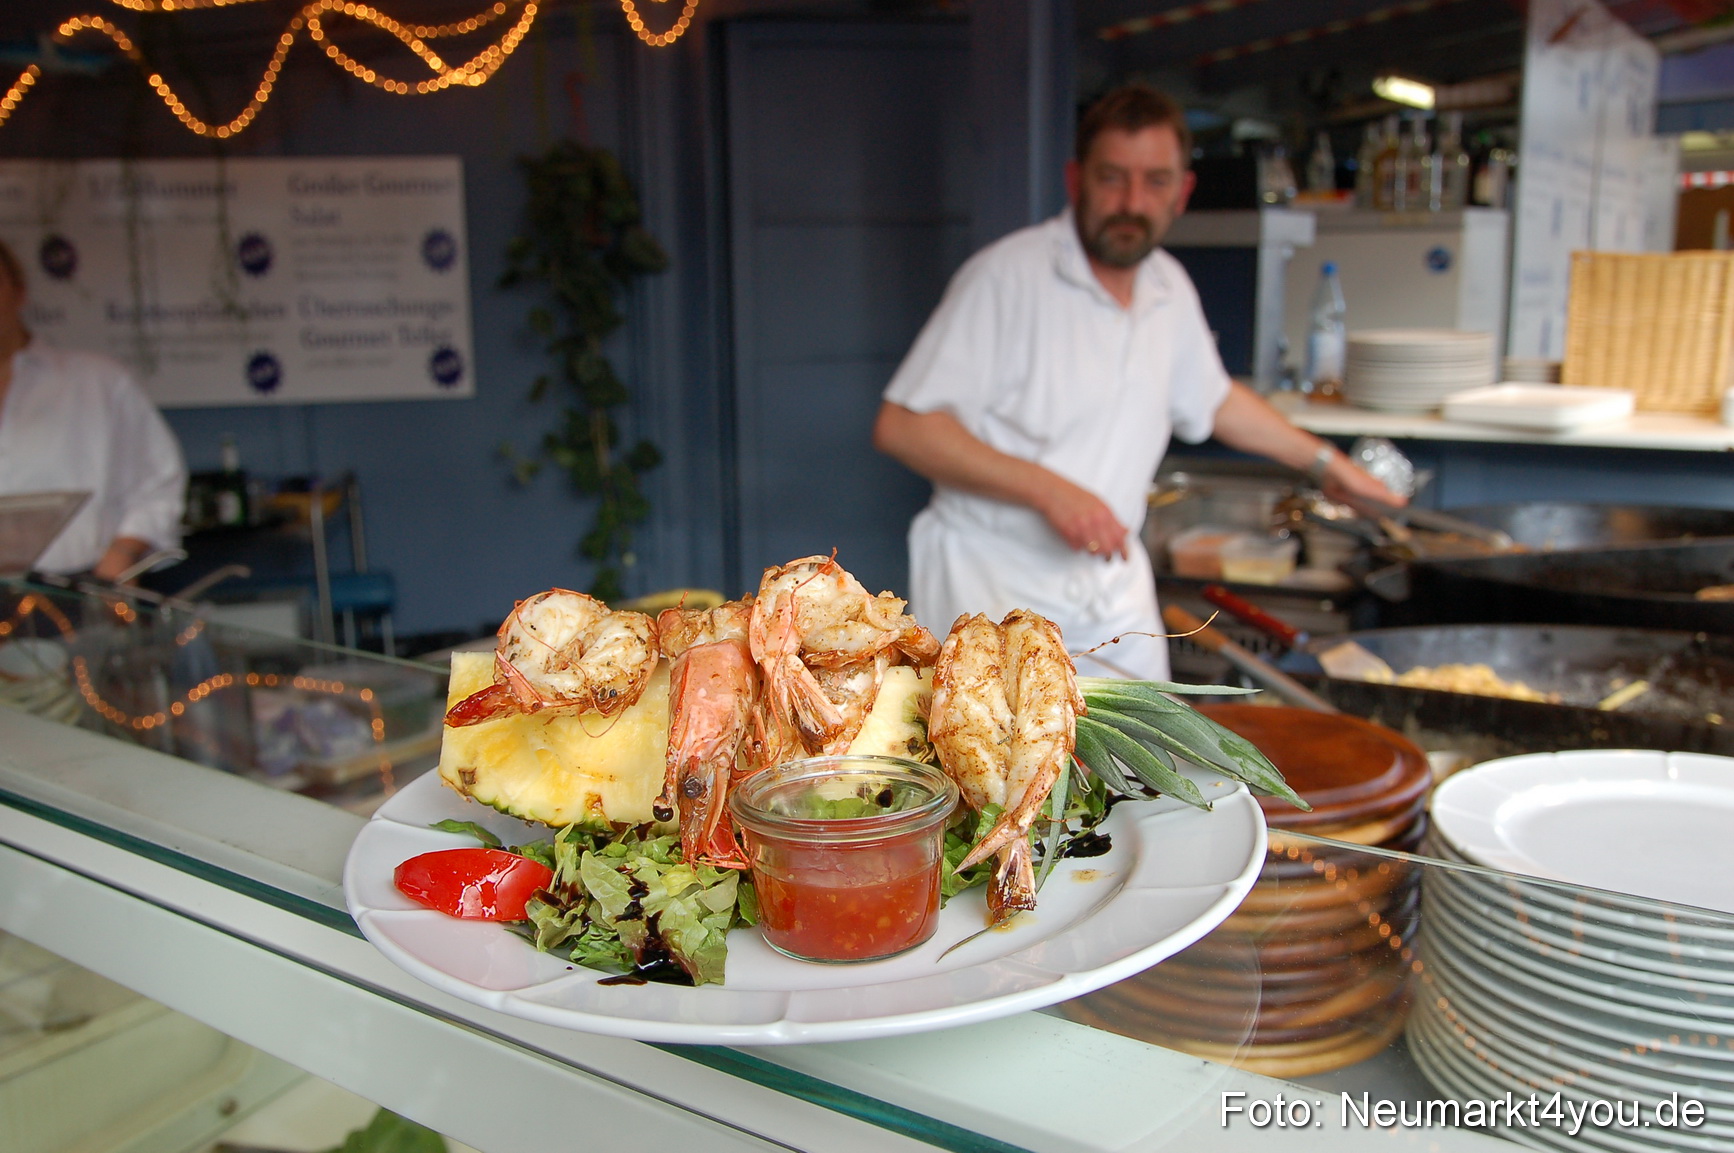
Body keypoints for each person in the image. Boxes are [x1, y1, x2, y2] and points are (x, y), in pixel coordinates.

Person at [872, 84, 1399, 679]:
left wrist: (1329, 467)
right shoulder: (1006, 278)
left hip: (1114, 592)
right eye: (1112, 178)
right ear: (1076, 181)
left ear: (1182, 192)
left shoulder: (1168, 286)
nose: (1131, 201)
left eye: (1154, 181)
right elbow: (905, 427)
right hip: (995, 590)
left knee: (1152, 764)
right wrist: (1052, 490)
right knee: (1006, 770)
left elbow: (1216, 400)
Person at [0, 239, 187, 582]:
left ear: (19, 292)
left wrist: (124, 552)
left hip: (79, 591)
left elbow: (158, 482)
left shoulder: (96, 381)